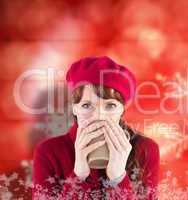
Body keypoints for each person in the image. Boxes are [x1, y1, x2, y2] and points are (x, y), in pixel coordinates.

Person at [32, 56, 160, 199]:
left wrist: (118, 179)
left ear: (122, 110)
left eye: (110, 106)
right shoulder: (48, 152)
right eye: (87, 105)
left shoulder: (146, 150)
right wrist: (78, 176)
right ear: (74, 108)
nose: (99, 116)